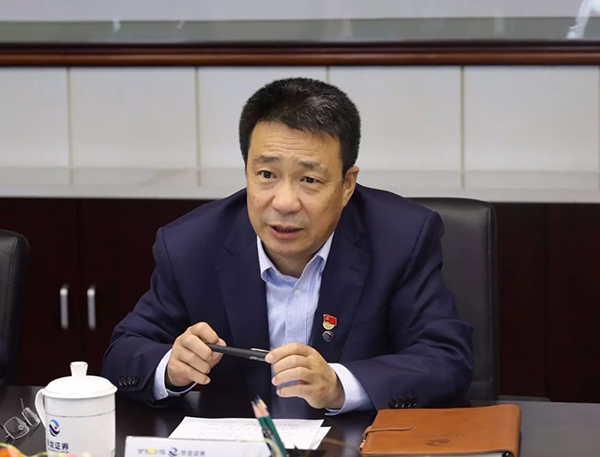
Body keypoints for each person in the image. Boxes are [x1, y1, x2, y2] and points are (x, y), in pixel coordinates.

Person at [101, 77, 473, 413]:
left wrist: (339, 386)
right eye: (266, 174)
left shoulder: (402, 238)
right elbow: (123, 354)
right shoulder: (191, 244)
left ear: (347, 185)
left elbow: (445, 359)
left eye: (309, 180)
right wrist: (171, 367)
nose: (284, 203)